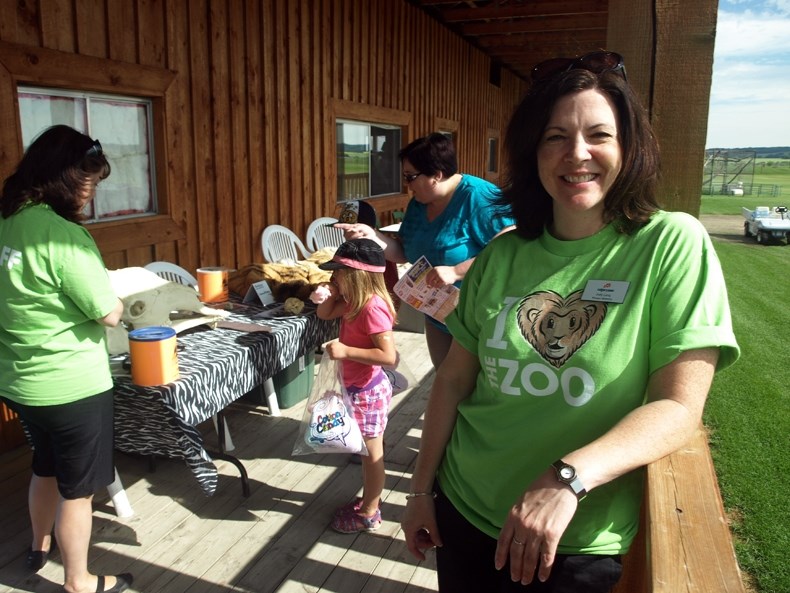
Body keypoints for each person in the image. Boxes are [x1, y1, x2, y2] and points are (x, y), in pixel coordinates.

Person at [399, 51, 740, 592]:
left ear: (628, 148)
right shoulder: (503, 254)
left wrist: (567, 478)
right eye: (555, 136)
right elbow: (455, 381)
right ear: (533, 152)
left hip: (573, 540)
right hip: (463, 510)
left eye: (599, 135)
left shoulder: (670, 243)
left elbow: (678, 406)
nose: (576, 154)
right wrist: (420, 491)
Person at [0, 125, 133, 593]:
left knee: (46, 465)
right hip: (72, 385)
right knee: (79, 489)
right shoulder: (63, 237)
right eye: (88, 182)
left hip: (19, 381)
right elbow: (110, 313)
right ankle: (78, 580)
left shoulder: (7, 221)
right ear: (62, 177)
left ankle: (38, 545)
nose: (90, 193)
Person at [336, 133, 516, 368]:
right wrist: (372, 235)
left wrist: (457, 271)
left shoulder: (478, 197)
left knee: (476, 388)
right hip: (437, 313)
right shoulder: (419, 204)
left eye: (410, 177)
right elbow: (403, 253)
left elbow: (511, 245)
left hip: (479, 317)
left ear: (437, 175)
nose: (406, 185)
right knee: (444, 379)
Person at [311, 238, 398, 533]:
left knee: (371, 455)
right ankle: (368, 503)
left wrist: (347, 351)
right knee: (364, 451)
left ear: (358, 276)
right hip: (355, 387)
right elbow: (324, 314)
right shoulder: (351, 302)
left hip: (368, 392)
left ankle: (370, 512)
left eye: (338, 273)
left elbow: (389, 357)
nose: (333, 277)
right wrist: (330, 294)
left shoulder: (372, 308)